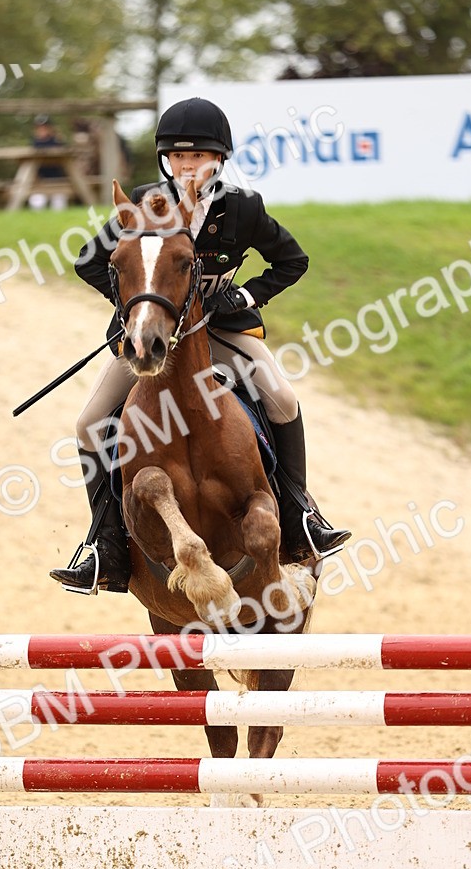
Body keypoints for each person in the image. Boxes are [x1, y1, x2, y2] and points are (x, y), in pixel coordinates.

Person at [50, 96, 351, 593]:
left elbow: (292, 262)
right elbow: (90, 261)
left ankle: (301, 517)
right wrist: (138, 307)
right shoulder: (146, 204)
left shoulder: (243, 208)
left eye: (198, 157)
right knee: (87, 423)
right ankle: (103, 546)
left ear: (220, 159)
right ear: (166, 160)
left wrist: (246, 294)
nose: (187, 166)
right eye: (178, 157)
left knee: (283, 399)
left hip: (224, 330)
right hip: (156, 337)